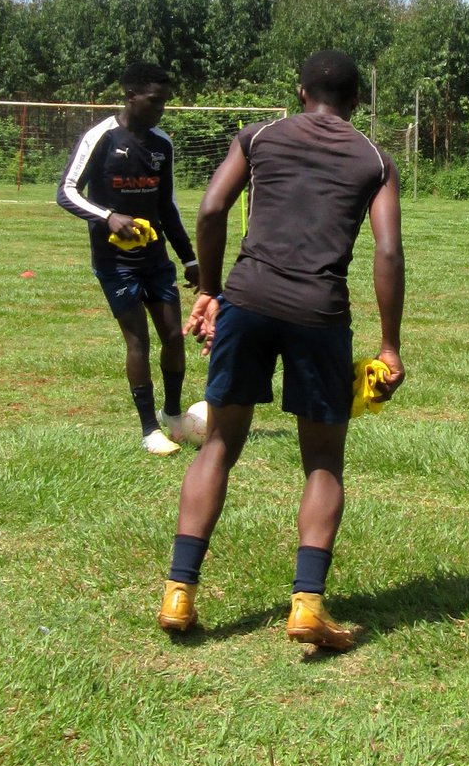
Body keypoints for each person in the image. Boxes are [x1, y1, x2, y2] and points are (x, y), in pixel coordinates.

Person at [157, 49, 405, 650]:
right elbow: (388, 252)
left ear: (300, 92)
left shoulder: (259, 135)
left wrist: (210, 289)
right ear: (356, 101)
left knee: (219, 444)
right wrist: (390, 345)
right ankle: (307, 606)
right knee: (323, 462)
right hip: (320, 312)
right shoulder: (375, 159)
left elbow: (212, 208)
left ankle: (179, 592)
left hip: (248, 298)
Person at [57, 62, 199, 456]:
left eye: (165, 103)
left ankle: (172, 416)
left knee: (173, 334)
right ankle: (149, 429)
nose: (161, 110)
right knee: (138, 339)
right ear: (131, 96)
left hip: (155, 258)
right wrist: (107, 216)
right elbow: (66, 191)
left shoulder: (161, 144)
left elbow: (167, 207)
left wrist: (189, 260)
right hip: (114, 261)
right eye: (155, 101)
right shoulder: (100, 137)